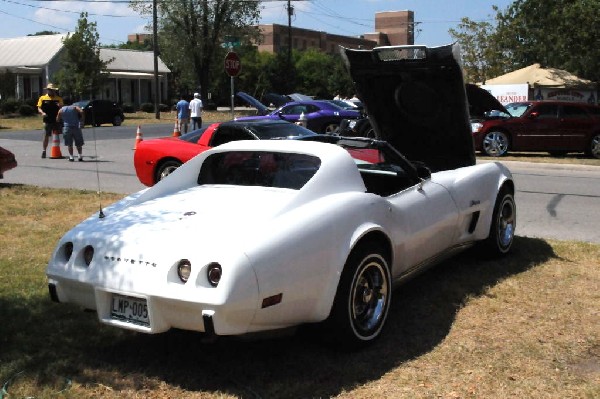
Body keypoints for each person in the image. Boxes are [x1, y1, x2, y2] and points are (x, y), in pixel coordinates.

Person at [37, 83, 63, 158]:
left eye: (52, 90)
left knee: (56, 135)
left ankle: (56, 150)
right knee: (46, 135)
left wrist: (60, 106)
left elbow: (61, 108)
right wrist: (42, 113)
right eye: (49, 90)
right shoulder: (42, 98)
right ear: (47, 90)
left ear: (54, 90)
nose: (50, 91)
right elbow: (39, 108)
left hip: (56, 119)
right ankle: (44, 151)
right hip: (47, 119)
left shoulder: (58, 98)